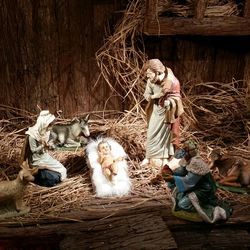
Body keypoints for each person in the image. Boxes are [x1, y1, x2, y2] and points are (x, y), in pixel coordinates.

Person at [163, 140, 232, 223]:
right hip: (194, 187)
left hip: (203, 190)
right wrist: (169, 171)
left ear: (190, 152)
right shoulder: (187, 160)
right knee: (178, 197)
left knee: (182, 205)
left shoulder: (196, 163)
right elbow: (181, 172)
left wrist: (173, 178)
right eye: (183, 150)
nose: (183, 153)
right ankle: (196, 206)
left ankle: (206, 210)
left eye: (185, 151)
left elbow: (189, 181)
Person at [141, 59, 184, 167]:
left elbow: (177, 98)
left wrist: (169, 102)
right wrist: (153, 96)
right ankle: (148, 156)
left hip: (167, 113)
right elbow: (146, 94)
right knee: (151, 134)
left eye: (149, 74)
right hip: (155, 110)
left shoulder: (173, 82)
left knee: (166, 136)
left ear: (158, 72)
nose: (147, 77)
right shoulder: (151, 81)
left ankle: (165, 158)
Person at [25, 110, 67, 187]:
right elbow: (33, 150)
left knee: (63, 170)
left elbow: (48, 143)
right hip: (37, 160)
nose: (50, 128)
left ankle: (53, 177)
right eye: (49, 125)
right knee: (59, 173)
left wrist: (50, 145)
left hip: (44, 156)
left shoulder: (45, 132)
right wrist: (42, 146)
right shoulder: (32, 136)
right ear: (43, 124)